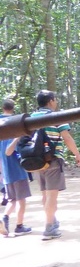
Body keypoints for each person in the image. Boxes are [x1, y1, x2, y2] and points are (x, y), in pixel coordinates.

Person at [28, 90, 80, 239]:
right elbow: (67, 138)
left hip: (37, 161)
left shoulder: (31, 118)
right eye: (55, 99)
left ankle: (51, 220)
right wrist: (77, 155)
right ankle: (48, 228)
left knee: (45, 194)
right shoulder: (57, 117)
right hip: (53, 160)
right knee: (52, 196)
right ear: (51, 100)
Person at [0, 99, 32, 236]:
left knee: (12, 199)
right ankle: (19, 226)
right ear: (13, 108)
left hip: (6, 170)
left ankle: (4, 218)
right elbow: (8, 150)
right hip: (16, 169)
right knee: (21, 199)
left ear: (3, 108)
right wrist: (17, 138)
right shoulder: (13, 124)